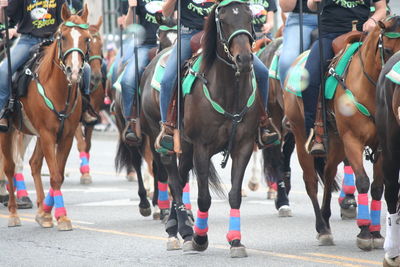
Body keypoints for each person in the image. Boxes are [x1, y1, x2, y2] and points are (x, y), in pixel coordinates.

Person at [156, 0, 279, 153]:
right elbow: (166, 13)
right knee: (168, 78)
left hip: (221, 35)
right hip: (189, 34)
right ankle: (167, 127)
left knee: (262, 72)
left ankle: (263, 123)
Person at [304, 0, 386, 154]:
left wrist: (373, 20)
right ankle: (315, 132)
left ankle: (390, 127)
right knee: (310, 78)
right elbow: (311, 5)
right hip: (330, 34)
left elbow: (382, 8)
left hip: (365, 35)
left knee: (389, 72)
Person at [0, 0, 96, 132]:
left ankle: (85, 108)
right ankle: (3, 110)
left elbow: (66, 19)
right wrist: (2, 7)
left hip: (53, 40)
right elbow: (6, 17)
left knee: (86, 69)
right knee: (4, 70)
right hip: (27, 40)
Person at [121, 0, 160, 144]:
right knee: (128, 80)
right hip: (147, 45)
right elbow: (128, 25)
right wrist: (132, 7)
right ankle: (131, 122)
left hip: (171, 41)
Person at [278, 0, 317, 88]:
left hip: (333, 18)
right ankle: (288, 97)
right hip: (301, 20)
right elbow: (285, 7)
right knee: (287, 62)